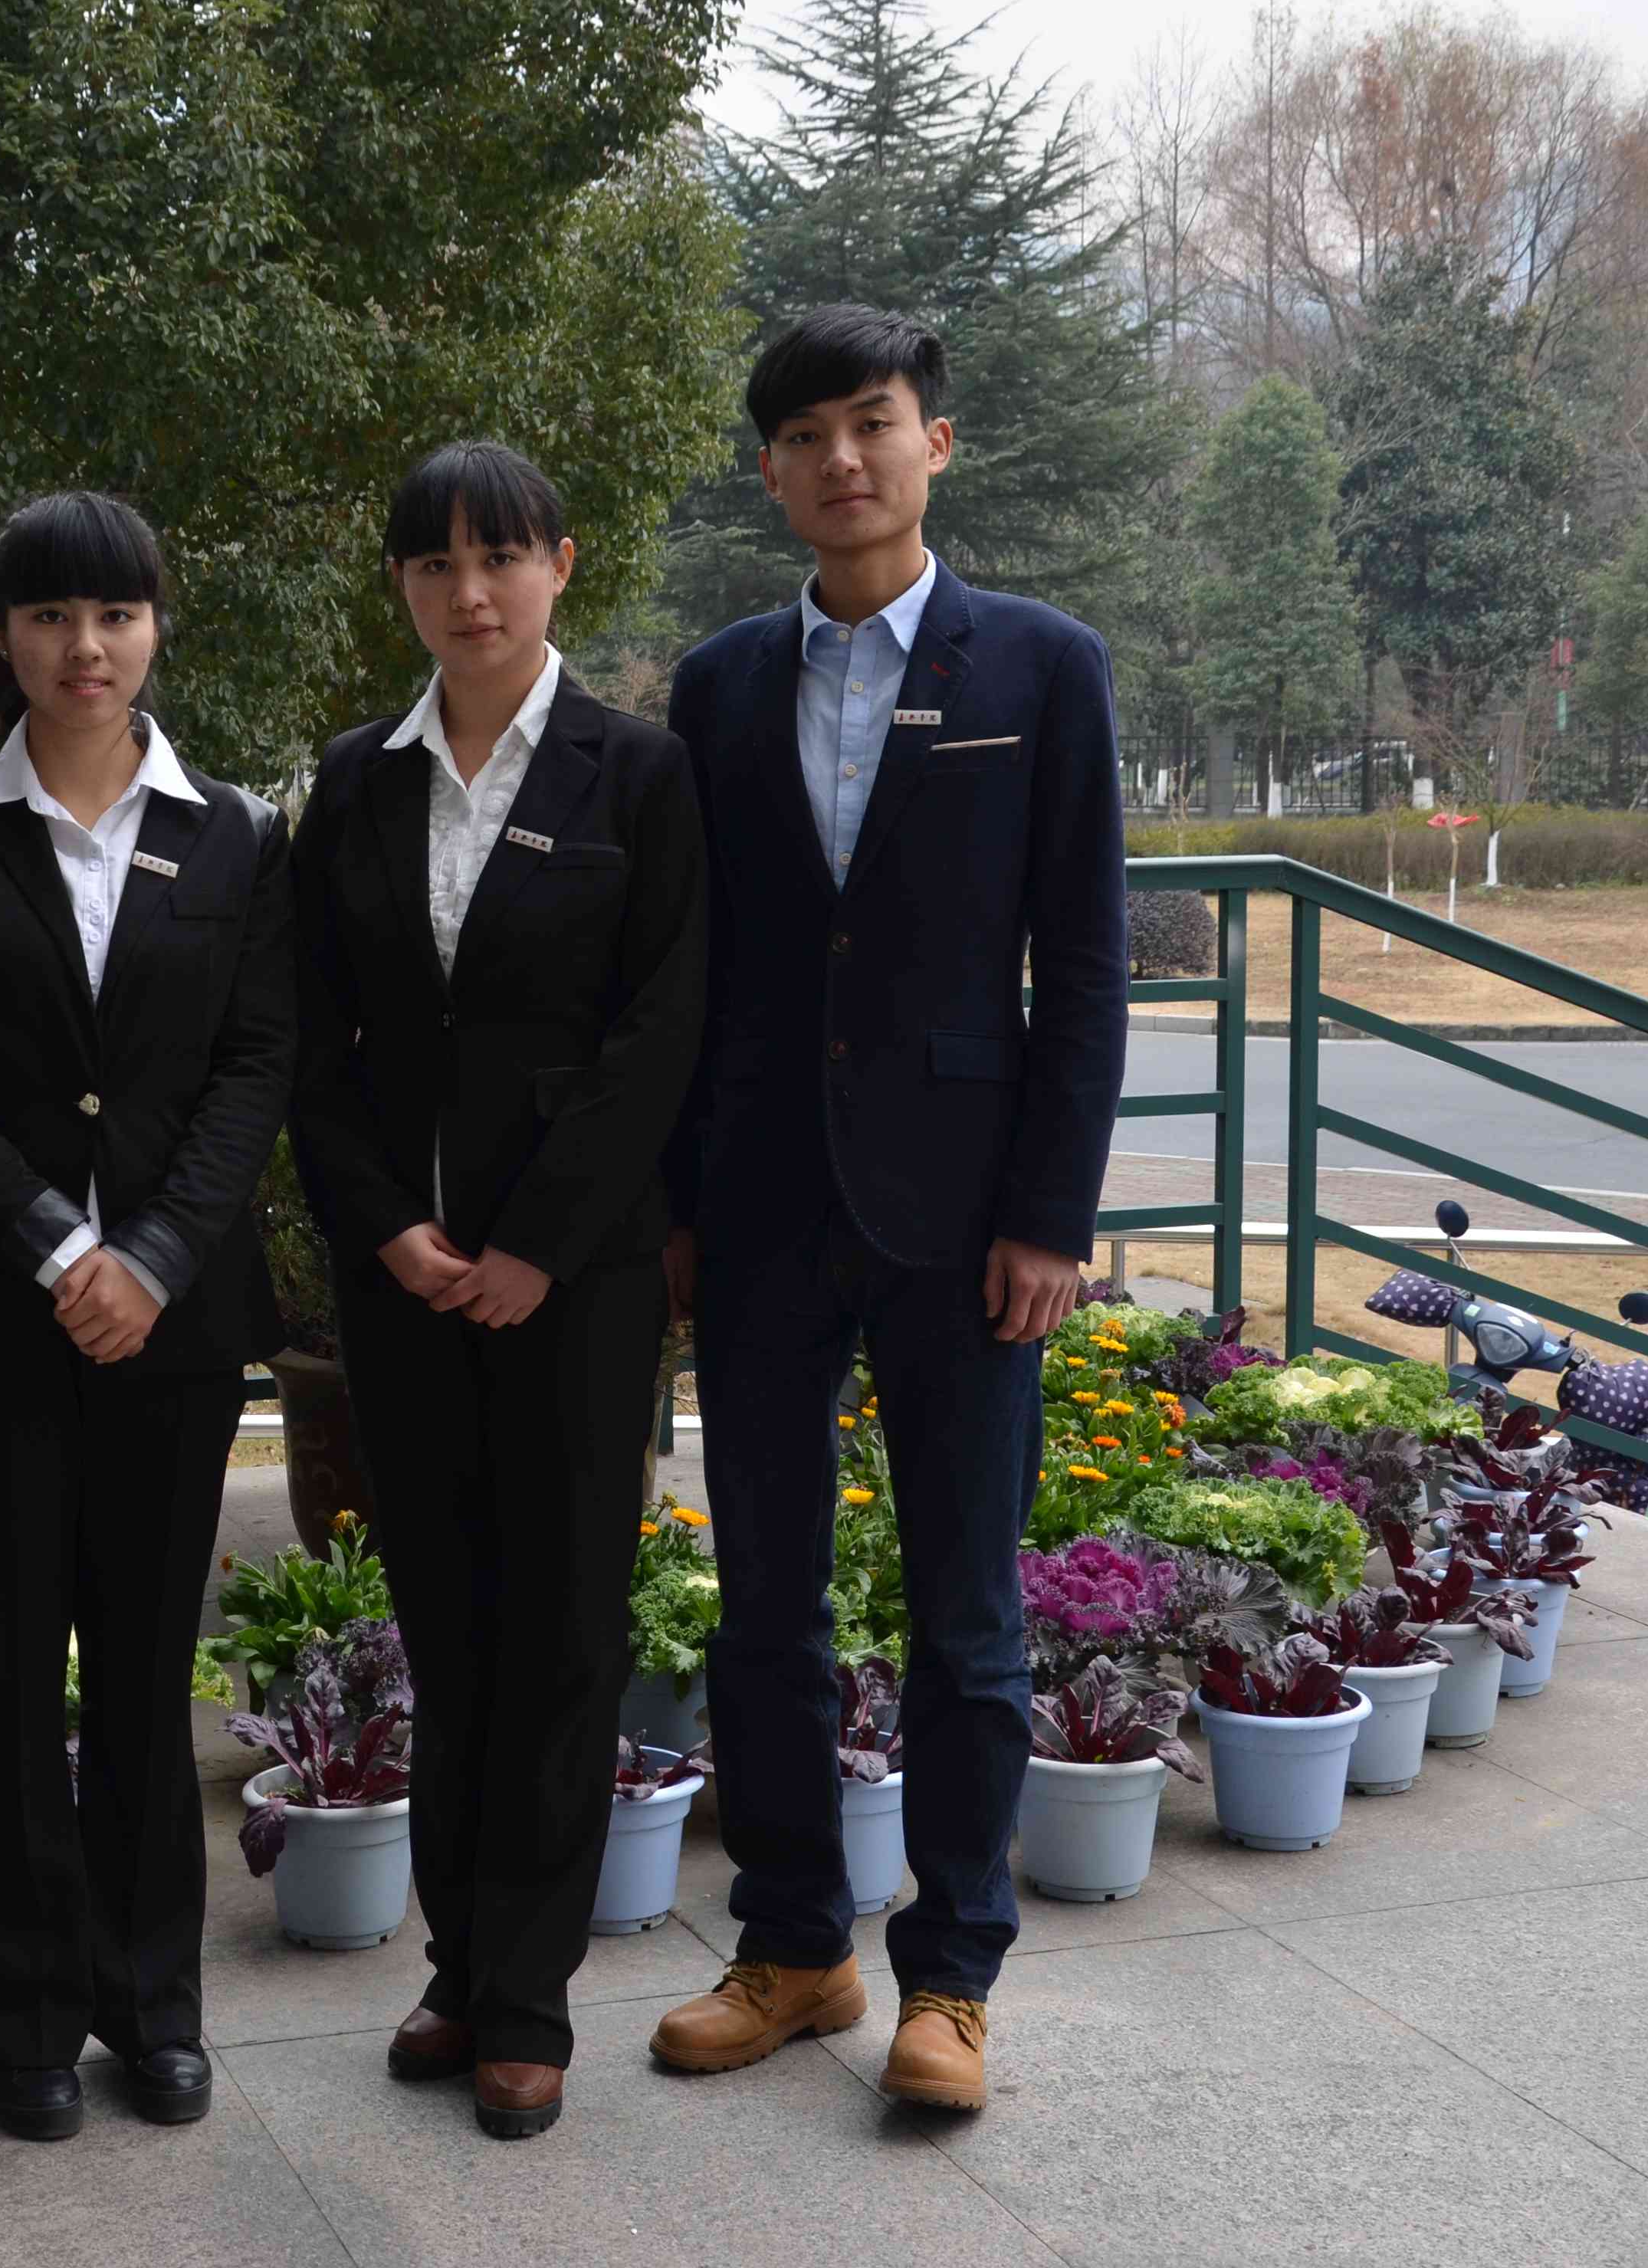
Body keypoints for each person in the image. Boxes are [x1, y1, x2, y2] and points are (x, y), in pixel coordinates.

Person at [645, 305, 1126, 2113]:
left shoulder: (1044, 668)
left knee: (966, 1618)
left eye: (872, 422)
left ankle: (953, 1977)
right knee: (764, 1604)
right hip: (762, 1209)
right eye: (803, 437)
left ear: (936, 441)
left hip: (969, 1217)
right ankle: (791, 1950)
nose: (841, 460)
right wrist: (680, 1205)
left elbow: (1084, 963)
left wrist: (1051, 1217)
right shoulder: (715, 687)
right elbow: (689, 973)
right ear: (769, 475)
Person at [0, 491, 294, 2143]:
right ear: (4, 637)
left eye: (114, 613)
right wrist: (59, 1248)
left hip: (175, 1326)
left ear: (156, 626)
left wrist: (156, 1257)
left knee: (141, 1671)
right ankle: (26, 2025)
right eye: (49, 615)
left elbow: (256, 1062)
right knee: (4, 1670)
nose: (84, 647)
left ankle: (151, 2007)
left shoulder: (235, 832)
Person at [290, 440, 707, 2138]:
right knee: (446, 1630)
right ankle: (458, 1969)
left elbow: (662, 1029)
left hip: (576, 1288)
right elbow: (310, 1037)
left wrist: (540, 1241)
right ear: (402, 585)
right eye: (435, 564)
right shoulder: (357, 780)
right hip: (405, 1285)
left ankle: (530, 1999)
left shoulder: (638, 775)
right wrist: (388, 1227)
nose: (470, 592)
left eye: (501, 556)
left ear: (560, 566)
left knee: (560, 1635)